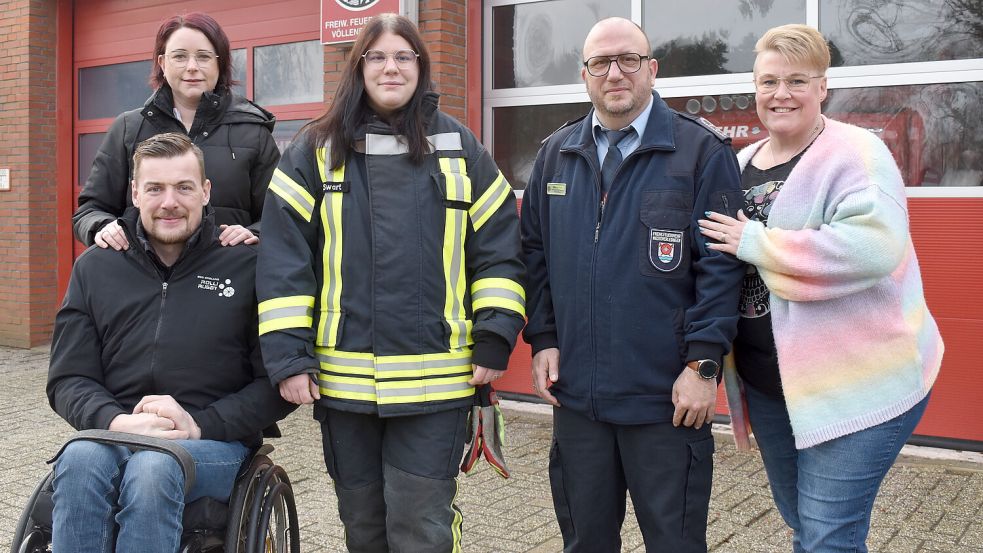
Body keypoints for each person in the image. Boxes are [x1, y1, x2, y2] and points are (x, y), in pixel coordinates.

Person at [256, 14, 525, 552]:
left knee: (420, 525)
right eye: (376, 56)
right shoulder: (313, 149)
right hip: (346, 383)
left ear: (421, 68)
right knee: (362, 526)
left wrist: (495, 334)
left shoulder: (459, 145)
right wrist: (288, 357)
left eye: (404, 56)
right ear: (358, 68)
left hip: (439, 385)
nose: (391, 67)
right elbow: (285, 259)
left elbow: (499, 245)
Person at [698, 24, 943, 553]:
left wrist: (757, 242)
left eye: (796, 81)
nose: (780, 94)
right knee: (803, 521)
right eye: (768, 81)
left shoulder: (856, 154)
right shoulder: (738, 163)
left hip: (857, 382)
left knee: (827, 535)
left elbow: (873, 247)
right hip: (771, 387)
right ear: (754, 87)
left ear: (822, 87)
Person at [521, 17, 745, 553]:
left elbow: (722, 269)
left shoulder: (701, 154)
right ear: (585, 74)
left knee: (674, 544)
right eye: (601, 62)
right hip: (579, 403)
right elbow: (534, 254)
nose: (614, 72)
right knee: (587, 543)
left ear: (652, 69)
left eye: (629, 60)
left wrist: (703, 364)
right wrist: (545, 338)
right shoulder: (556, 154)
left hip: (666, 402)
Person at [47, 133, 293, 552]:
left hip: (213, 442)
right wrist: (116, 421)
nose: (169, 202)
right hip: (117, 434)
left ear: (205, 191)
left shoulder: (247, 266)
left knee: (154, 467)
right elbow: (68, 379)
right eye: (155, 188)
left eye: (183, 187)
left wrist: (200, 425)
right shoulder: (95, 269)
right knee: (79, 458)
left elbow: (278, 385)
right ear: (135, 193)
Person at [73, 12, 280, 251]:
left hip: (227, 279)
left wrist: (254, 233)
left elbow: (280, 217)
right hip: (143, 280)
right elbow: (89, 211)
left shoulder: (254, 133)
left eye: (203, 57)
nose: (192, 67)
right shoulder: (128, 129)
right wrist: (103, 226)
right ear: (162, 63)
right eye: (180, 56)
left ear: (219, 62)